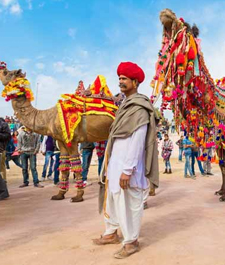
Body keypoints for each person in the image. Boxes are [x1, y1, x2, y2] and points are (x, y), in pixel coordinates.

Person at [93, 62, 159, 259]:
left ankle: (131, 241)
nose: (120, 81)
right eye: (119, 78)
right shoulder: (124, 106)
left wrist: (128, 169)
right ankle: (111, 232)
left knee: (129, 203)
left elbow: (138, 141)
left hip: (129, 166)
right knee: (113, 199)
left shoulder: (139, 108)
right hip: (115, 163)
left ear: (135, 82)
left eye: (124, 79)